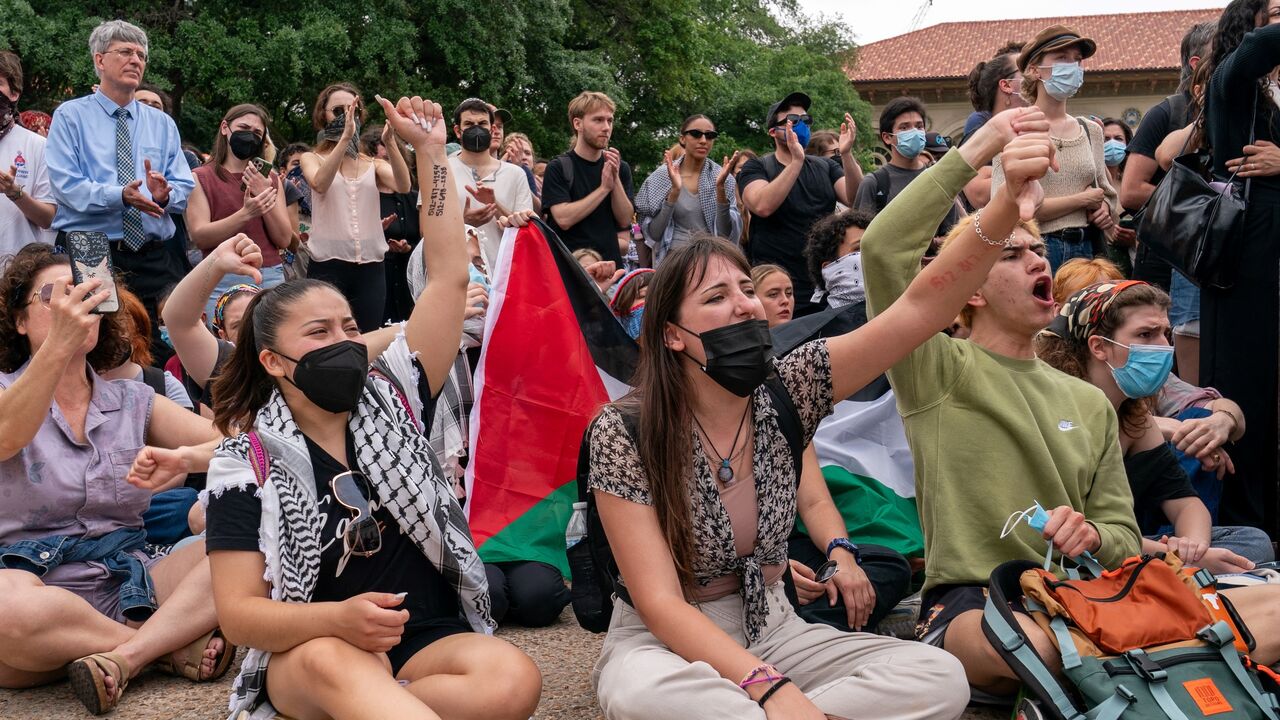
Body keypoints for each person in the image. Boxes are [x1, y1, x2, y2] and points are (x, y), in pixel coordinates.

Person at [586, 109, 1061, 720]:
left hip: (776, 626)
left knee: (937, 674)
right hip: (665, 642)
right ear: (673, 335)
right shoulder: (623, 427)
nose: (745, 308)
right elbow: (658, 602)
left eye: (746, 291)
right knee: (644, 695)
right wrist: (773, 689)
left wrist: (993, 196)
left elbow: (921, 308)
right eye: (716, 297)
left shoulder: (792, 385)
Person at [862, 107, 1280, 698]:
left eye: (1037, 249)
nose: (1037, 259)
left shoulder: (1086, 401)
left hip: (1089, 597)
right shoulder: (934, 367)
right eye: (1009, 253)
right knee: (1025, 646)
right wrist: (977, 152)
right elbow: (882, 252)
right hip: (976, 600)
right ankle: (1161, 656)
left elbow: (1123, 536)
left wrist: (1089, 535)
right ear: (967, 287)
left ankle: (1128, 660)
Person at [165, 94, 541, 720]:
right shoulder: (244, 461)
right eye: (317, 335)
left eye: (347, 328)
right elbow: (238, 614)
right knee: (333, 665)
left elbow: (448, 276)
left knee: (512, 680)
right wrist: (339, 618)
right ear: (272, 362)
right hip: (316, 644)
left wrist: (430, 154)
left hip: (422, 637)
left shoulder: (394, 395)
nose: (341, 343)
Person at [0, 244, 230, 715]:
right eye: (54, 295)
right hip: (33, 594)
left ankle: (120, 657)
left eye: (85, 290)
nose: (75, 303)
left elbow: (243, 447)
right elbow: (7, 436)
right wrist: (59, 344)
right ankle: (163, 649)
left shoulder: (132, 398)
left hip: (134, 581)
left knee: (247, 538)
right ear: (19, 321)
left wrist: (185, 456)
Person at [1036, 281, 1274, 570]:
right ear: (1099, 346)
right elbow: (1080, 530)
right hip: (1078, 553)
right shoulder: (1060, 415)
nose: (1164, 346)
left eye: (1165, 333)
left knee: (1253, 540)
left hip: (1140, 544)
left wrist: (1191, 547)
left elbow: (1186, 502)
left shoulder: (1134, 414)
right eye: (1146, 334)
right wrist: (1174, 557)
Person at [45, 20, 195, 334]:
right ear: (99, 60)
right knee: (95, 342)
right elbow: (66, 186)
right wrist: (120, 196)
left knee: (159, 341)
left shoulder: (162, 123)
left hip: (154, 251)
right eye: (125, 52)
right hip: (90, 247)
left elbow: (184, 185)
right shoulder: (70, 116)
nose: (136, 60)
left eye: (141, 55)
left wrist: (163, 195)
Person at [1199, 0, 1280, 534]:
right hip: (1246, 256)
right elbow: (1255, 51)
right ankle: (1245, 520)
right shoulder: (1234, 83)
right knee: (1244, 385)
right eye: (1274, 12)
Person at [993, 25, 1116, 274]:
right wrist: (1081, 200)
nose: (1072, 66)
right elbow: (1006, 207)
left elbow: (1105, 193)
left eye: (1077, 60)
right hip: (1039, 249)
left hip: (1087, 248)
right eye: (1061, 58)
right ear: (1036, 69)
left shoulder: (1090, 130)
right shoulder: (1014, 128)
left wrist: (1105, 210)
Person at [298, 82, 411, 331]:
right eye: (338, 111)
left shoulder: (370, 163)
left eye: (353, 110)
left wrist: (390, 143)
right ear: (323, 116)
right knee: (327, 338)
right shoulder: (312, 157)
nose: (348, 116)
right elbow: (320, 183)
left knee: (367, 337)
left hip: (370, 268)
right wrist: (344, 139)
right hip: (328, 265)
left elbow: (403, 185)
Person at [737, 92, 860, 316]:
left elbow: (854, 198)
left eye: (806, 120)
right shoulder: (756, 167)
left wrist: (847, 154)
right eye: (793, 121)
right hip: (777, 289)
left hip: (825, 285)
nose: (802, 126)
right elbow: (762, 205)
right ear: (774, 131)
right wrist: (796, 162)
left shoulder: (825, 166)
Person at [1121, 21, 1216, 291]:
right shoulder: (1166, 114)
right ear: (1196, 63)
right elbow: (1130, 191)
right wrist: (1205, 206)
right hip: (1165, 257)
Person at [188, 104, 292, 321]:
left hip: (268, 274)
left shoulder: (270, 178)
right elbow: (200, 236)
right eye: (243, 128)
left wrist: (263, 192)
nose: (249, 136)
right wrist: (245, 214)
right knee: (225, 349)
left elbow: (283, 238)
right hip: (221, 276)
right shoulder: (200, 177)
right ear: (225, 128)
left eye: (256, 133)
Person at [542, 91, 635, 265]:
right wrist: (603, 189)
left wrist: (614, 179)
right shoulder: (559, 167)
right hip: (571, 269)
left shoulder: (620, 167)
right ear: (578, 124)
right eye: (598, 120)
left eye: (610, 120)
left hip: (611, 269)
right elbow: (563, 219)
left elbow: (624, 219)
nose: (606, 127)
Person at [635, 115, 741, 265]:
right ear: (682, 139)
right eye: (696, 134)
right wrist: (674, 193)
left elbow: (725, 235)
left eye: (710, 136)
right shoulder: (662, 176)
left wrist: (720, 189)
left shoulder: (723, 177)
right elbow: (654, 235)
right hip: (673, 262)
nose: (703, 140)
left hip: (711, 261)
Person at [855, 97, 962, 237]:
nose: (914, 132)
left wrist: (933, 245)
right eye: (904, 127)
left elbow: (951, 237)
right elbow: (860, 240)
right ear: (887, 137)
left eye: (919, 126)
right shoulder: (874, 184)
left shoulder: (940, 181)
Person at [447, 99, 533, 268]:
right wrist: (464, 223)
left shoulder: (516, 174)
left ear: (492, 129)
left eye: (482, 123)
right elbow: (426, 231)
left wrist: (495, 205)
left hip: (504, 273)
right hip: (455, 273)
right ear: (458, 130)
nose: (476, 128)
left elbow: (527, 233)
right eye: (469, 124)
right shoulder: (441, 170)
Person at [0, 50, 56, 255]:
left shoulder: (37, 145)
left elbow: (47, 218)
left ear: (14, 94)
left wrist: (14, 192)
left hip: (16, 270)